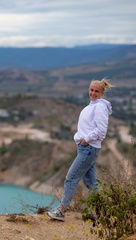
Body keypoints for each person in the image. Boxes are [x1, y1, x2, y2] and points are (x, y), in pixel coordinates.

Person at [47, 78, 114, 221]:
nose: (93, 93)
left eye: (97, 91)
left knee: (71, 178)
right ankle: (101, 212)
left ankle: (61, 211)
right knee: (91, 183)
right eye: (91, 90)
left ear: (102, 93)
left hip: (88, 148)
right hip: (86, 148)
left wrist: (86, 139)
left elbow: (101, 131)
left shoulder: (100, 107)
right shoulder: (92, 106)